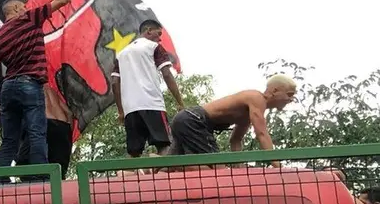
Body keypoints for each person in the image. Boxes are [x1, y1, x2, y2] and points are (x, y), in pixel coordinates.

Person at [0, 0, 89, 170]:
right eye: (22, 6)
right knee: (36, 132)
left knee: (9, 139)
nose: (25, 8)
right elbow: (62, 0)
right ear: (15, 10)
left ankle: (0, 178)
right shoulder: (28, 19)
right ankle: (40, 175)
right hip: (29, 84)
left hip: (7, 89)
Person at [167, 75, 298, 158]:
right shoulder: (257, 98)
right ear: (274, 91)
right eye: (289, 94)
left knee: (169, 165)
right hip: (194, 120)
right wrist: (277, 166)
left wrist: (239, 169)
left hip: (185, 119)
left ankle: (154, 170)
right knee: (215, 166)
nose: (291, 99)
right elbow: (262, 133)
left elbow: (235, 140)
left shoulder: (247, 114)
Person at [111, 19, 184, 157]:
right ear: (149, 31)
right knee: (164, 147)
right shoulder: (153, 47)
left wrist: (121, 111)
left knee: (134, 153)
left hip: (130, 110)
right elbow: (167, 73)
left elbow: (115, 82)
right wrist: (180, 102)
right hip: (152, 104)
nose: (160, 38)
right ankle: (162, 177)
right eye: (159, 33)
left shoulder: (121, 54)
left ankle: (131, 177)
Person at [14, 85, 73, 174]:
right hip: (62, 124)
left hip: (43, 122)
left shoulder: (28, 87)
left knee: (25, 163)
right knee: (58, 168)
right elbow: (69, 113)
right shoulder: (51, 90)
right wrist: (68, 133)